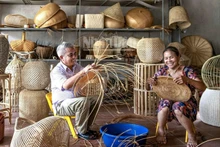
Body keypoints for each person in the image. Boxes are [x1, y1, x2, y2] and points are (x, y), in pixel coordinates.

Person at [147, 46, 206, 147]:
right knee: (165, 104)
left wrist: (187, 80)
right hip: (168, 100)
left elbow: (203, 87)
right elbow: (148, 87)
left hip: (186, 102)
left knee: (177, 107)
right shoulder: (162, 71)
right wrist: (149, 82)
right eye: (166, 58)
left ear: (179, 57)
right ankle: (161, 131)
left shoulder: (187, 71)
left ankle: (192, 135)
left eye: (171, 57)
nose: (169, 60)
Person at [50, 42, 101, 140]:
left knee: (96, 98)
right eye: (70, 55)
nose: (74, 57)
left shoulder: (76, 66)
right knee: (83, 102)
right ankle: (81, 131)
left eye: (75, 53)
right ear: (61, 58)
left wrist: (93, 70)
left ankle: (86, 127)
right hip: (61, 105)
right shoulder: (56, 71)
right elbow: (65, 85)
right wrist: (82, 72)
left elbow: (87, 76)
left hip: (75, 100)